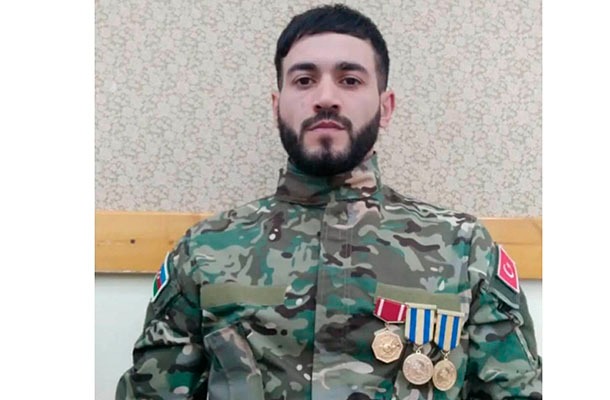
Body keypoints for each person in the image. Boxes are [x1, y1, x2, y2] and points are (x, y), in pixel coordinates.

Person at [116, 4, 542, 399]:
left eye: (350, 80)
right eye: (304, 80)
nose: (325, 97)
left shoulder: (463, 250)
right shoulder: (206, 250)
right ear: (277, 106)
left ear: (386, 107)